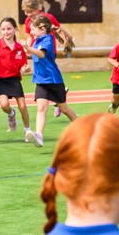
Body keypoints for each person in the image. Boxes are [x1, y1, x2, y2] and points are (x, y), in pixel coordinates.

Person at [22, 14, 77, 148]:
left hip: (53, 81)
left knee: (64, 108)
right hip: (41, 82)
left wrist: (28, 48)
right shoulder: (37, 40)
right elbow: (35, 54)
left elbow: (41, 54)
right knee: (41, 108)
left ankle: (81, 127)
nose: (31, 32)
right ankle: (39, 136)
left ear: (42, 29)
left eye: (33, 29)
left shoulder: (47, 39)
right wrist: (25, 65)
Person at [0, 16, 32, 137]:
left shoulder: (19, 48)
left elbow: (23, 65)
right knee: (4, 105)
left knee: (22, 105)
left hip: (14, 79)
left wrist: (25, 68)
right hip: (1, 80)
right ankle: (11, 114)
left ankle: (27, 130)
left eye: (9, 28)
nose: (6, 32)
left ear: (15, 29)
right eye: (3, 29)